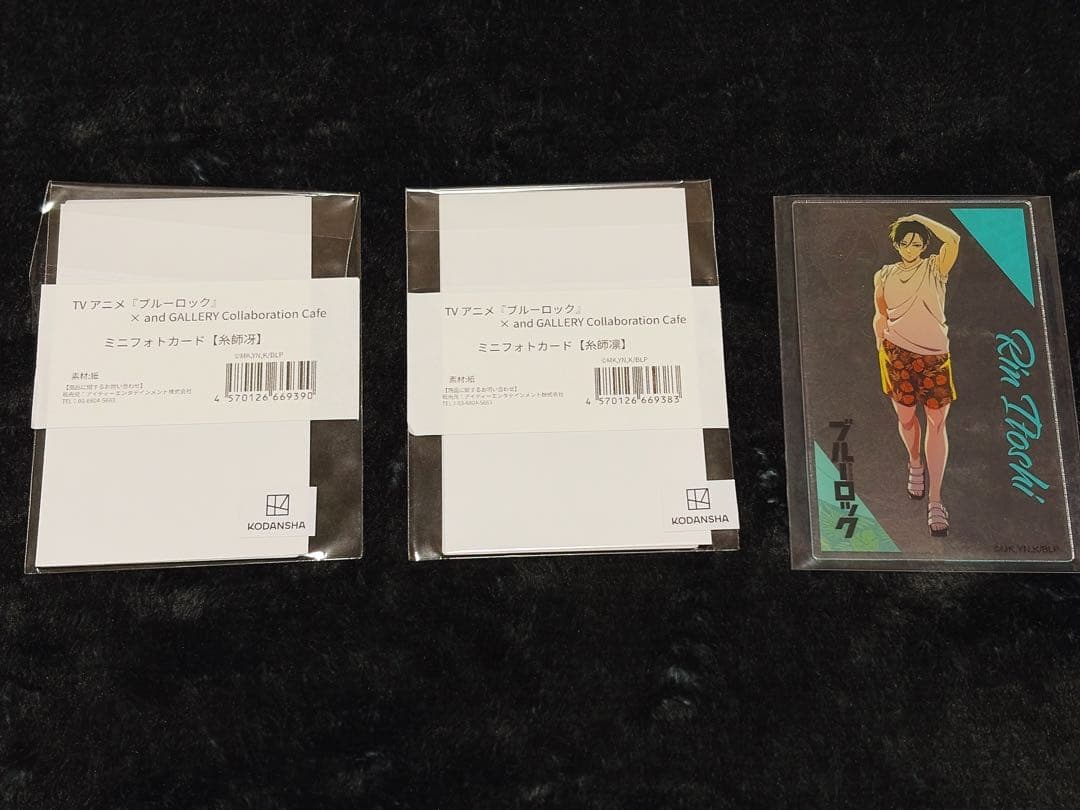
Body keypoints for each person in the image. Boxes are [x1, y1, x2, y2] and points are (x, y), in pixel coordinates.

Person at [873, 214, 961, 537]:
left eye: (916, 242)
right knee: (907, 419)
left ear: (924, 246)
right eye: (905, 243)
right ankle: (914, 462)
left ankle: (935, 500)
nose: (910, 248)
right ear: (896, 245)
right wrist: (881, 347)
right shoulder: (884, 274)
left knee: (937, 423)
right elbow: (880, 315)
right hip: (897, 355)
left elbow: (953, 239)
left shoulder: (936, 268)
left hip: (934, 357)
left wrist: (917, 218)